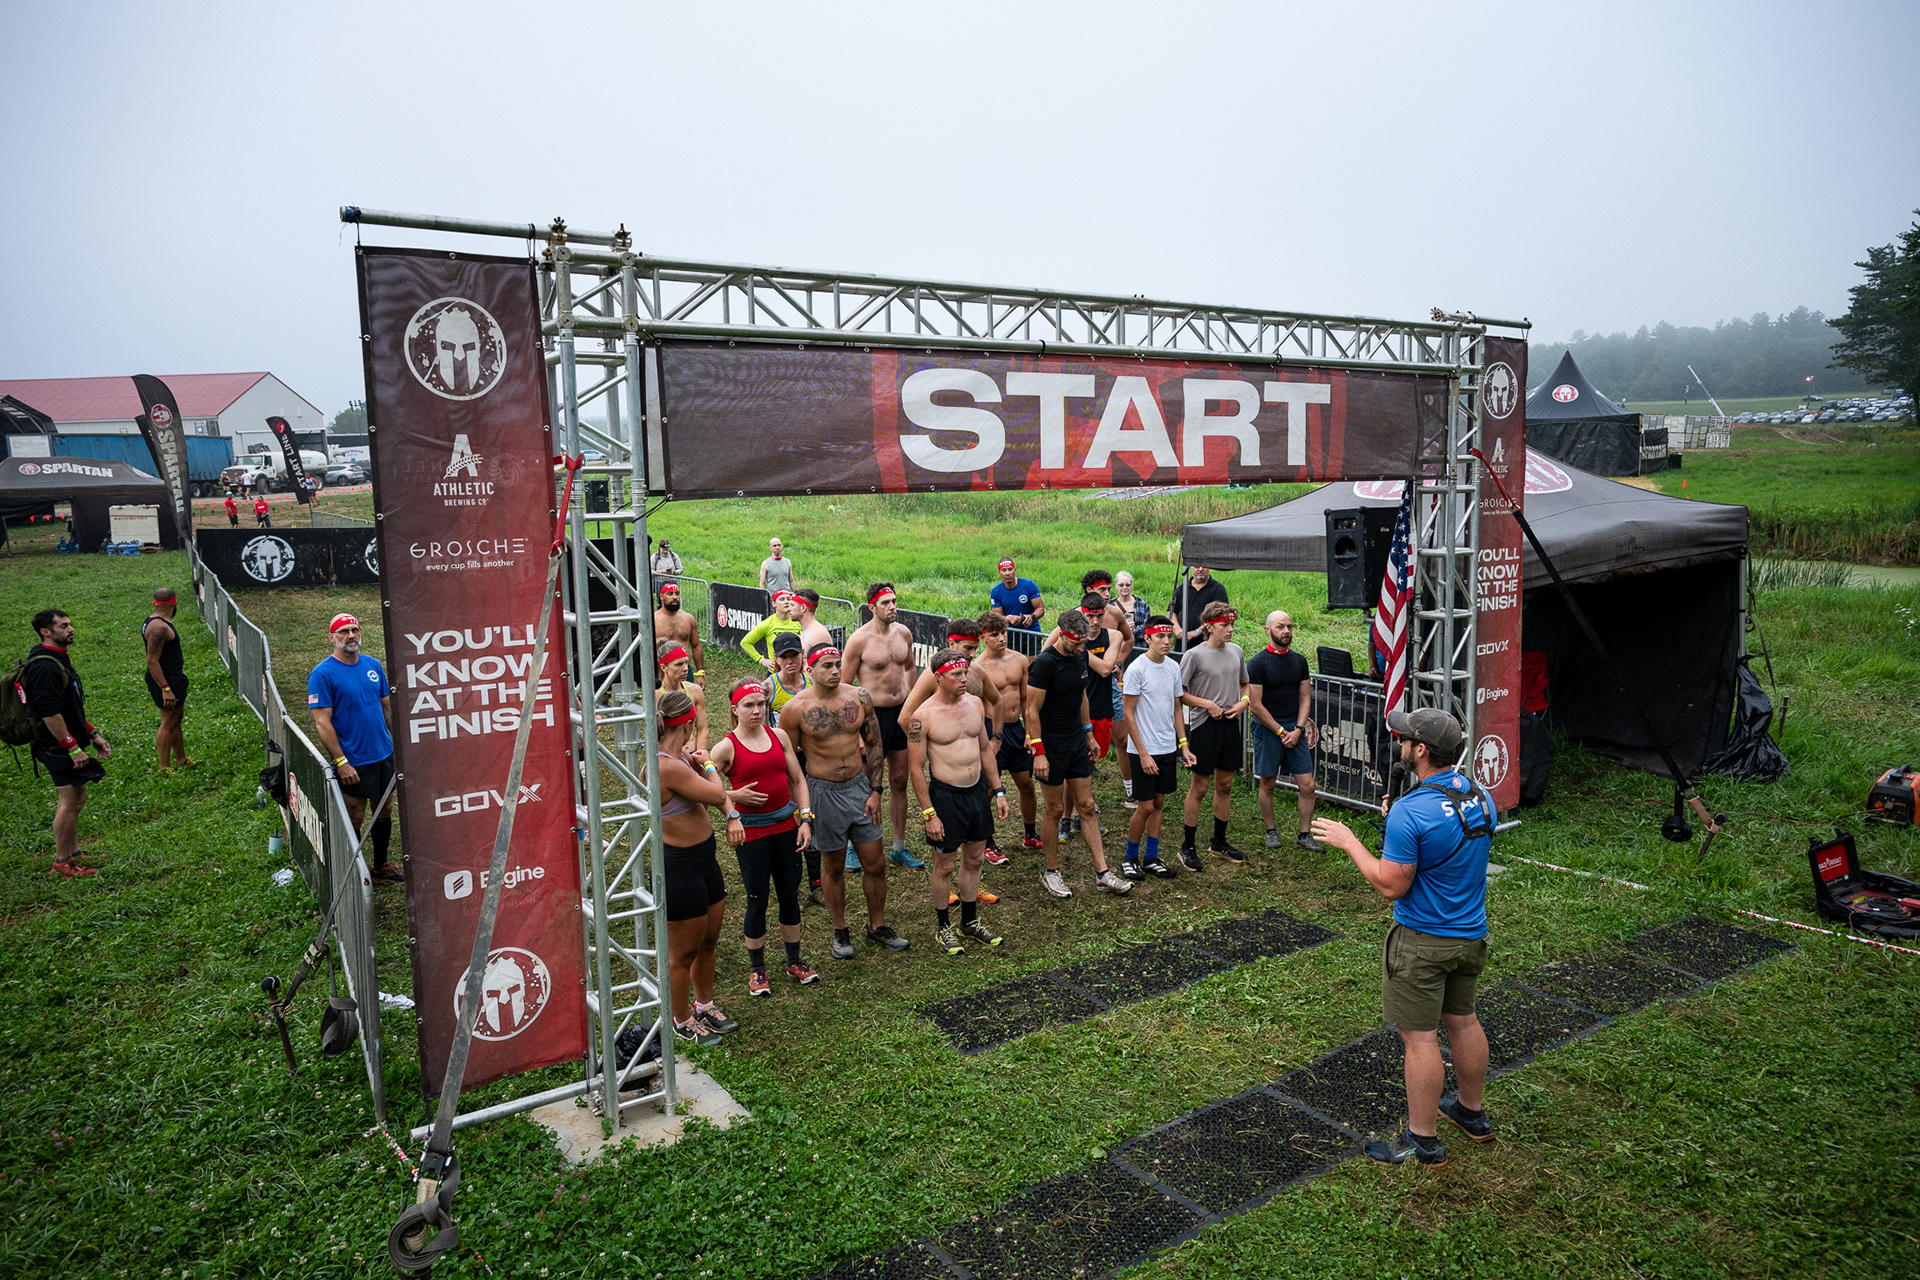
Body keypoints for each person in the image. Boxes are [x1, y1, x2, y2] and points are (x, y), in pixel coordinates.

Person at [1311, 707, 1497, 1169]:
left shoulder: (1411, 812)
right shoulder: (1480, 795)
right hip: (1471, 935)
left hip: (1423, 942)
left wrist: (1350, 841)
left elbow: (1391, 884)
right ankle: (1471, 1113)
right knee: (1464, 1022)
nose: (1398, 743)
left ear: (1422, 750)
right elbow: (1444, 836)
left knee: (1420, 1039)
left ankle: (1423, 1141)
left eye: (1404, 739)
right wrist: (1400, 823)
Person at [781, 642, 909, 957]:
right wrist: (800, 807)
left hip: (859, 788)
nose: (835, 671)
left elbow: (874, 743)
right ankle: (840, 931)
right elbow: (789, 762)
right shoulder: (795, 709)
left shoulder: (859, 697)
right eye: (827, 666)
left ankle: (877, 927)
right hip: (822, 791)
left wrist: (876, 791)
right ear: (810, 670)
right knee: (834, 865)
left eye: (837, 664)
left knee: (876, 863)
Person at [652, 689, 761, 1045]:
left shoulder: (681, 757)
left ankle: (705, 1005)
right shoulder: (665, 766)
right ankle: (681, 1019)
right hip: (680, 867)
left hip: (704, 859)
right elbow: (716, 792)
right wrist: (711, 767)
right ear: (686, 725)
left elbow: (718, 800)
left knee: (709, 940)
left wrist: (731, 814)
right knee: (683, 952)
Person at [709, 678, 820, 996]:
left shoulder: (779, 735)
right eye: (749, 705)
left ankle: (794, 961)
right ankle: (757, 969)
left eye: (761, 704)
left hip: (786, 827)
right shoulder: (726, 747)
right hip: (753, 833)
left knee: (789, 895)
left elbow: (797, 779)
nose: (757, 710)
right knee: (757, 899)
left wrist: (806, 819)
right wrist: (733, 798)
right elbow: (704, 788)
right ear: (735, 709)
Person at [1025, 609, 1132, 898]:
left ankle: (1103, 873)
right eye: (1077, 641)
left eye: (1085, 641)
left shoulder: (1081, 655)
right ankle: (1051, 871)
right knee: (1055, 809)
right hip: (1050, 742)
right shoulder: (1044, 664)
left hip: (1075, 740)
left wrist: (1089, 734)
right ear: (1061, 634)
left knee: (1086, 805)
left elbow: (1082, 695)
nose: (1082, 646)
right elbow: (1031, 709)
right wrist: (1038, 751)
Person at [907, 648, 1009, 953]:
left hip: (976, 793)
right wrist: (929, 813)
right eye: (957, 674)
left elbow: (984, 750)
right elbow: (916, 768)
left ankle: (969, 921)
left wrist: (998, 790)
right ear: (939, 678)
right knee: (945, 865)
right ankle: (943, 927)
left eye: (965, 672)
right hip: (945, 797)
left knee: (975, 858)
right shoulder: (922, 716)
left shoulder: (975, 704)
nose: (965, 679)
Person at [898, 617, 1005, 887]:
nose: (972, 655)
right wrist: (932, 749)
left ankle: (970, 889)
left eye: (975, 649)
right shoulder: (932, 676)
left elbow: (996, 701)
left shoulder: (975, 672)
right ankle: (946, 894)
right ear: (952, 643)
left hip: (975, 776)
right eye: (967, 648)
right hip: (946, 784)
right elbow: (906, 718)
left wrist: (997, 737)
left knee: (974, 854)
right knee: (946, 859)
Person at [307, 614, 400, 883]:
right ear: (332, 637)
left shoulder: (373, 665)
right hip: (353, 759)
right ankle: (354, 875)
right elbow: (322, 723)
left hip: (383, 753)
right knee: (355, 815)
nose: (351, 635)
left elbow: (386, 708)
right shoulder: (322, 674)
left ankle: (380, 867)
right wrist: (341, 762)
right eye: (343, 631)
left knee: (385, 808)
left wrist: (399, 745)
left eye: (354, 630)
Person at [23, 609, 110, 878]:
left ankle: (75, 853)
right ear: (45, 632)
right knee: (69, 802)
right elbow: (50, 713)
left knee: (77, 798)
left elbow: (70, 708)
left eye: (70, 624)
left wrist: (92, 734)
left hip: (66, 742)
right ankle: (62, 863)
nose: (70, 629)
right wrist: (72, 747)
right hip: (55, 746)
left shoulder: (57, 658)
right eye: (63, 626)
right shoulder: (45, 666)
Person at [841, 583, 920, 868]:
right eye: (885, 603)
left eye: (894, 601)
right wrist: (855, 730)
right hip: (871, 718)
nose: (892, 607)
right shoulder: (859, 640)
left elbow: (909, 668)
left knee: (900, 781)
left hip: (900, 715)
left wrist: (912, 705)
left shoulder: (904, 633)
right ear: (872, 607)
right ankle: (853, 846)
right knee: (864, 784)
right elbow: (845, 686)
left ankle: (898, 847)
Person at [1178, 602, 1251, 868]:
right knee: (1199, 787)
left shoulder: (1236, 651)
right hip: (1204, 726)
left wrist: (1244, 702)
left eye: (1232, 624)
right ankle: (1187, 846)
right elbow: (1179, 693)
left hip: (1230, 723)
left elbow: (1245, 684)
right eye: (1224, 625)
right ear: (1209, 626)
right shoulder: (1194, 655)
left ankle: (1219, 843)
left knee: (1226, 785)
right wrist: (1207, 704)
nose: (1230, 629)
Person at [1119, 616, 1191, 880]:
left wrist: (1183, 744)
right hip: (1143, 750)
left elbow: (1176, 707)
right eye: (1160, 636)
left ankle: (1151, 858)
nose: (1167, 641)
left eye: (1169, 636)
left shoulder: (1173, 667)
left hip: (1166, 747)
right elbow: (1128, 714)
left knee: (1159, 802)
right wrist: (1143, 753)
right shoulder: (1137, 669)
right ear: (1147, 638)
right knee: (1146, 806)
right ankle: (1129, 858)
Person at [1248, 609, 1317, 852]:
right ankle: (1270, 831)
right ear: (1267, 630)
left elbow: (1305, 698)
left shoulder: (1299, 661)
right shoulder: (1257, 663)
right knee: (1268, 784)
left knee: (1308, 785)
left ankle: (1305, 835)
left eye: (1289, 626)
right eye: (1280, 627)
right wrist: (1279, 731)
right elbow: (1255, 705)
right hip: (1268, 730)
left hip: (1294, 729)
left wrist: (1298, 729)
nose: (1286, 631)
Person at [975, 613, 1042, 858]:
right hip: (991, 729)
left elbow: (1026, 700)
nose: (1001, 638)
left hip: (1016, 729)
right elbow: (976, 705)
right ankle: (987, 842)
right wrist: (985, 739)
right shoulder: (978, 667)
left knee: (1026, 783)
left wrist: (1029, 733)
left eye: (1003, 633)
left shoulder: (1019, 660)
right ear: (983, 638)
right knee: (989, 788)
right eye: (994, 635)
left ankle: (1030, 834)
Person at [763, 631, 821, 904]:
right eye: (784, 657)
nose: (790, 661)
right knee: (792, 819)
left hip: (812, 757)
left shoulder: (812, 682)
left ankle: (816, 884)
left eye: (794, 655)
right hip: (783, 761)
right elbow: (760, 730)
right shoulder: (769, 687)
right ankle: (791, 888)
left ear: (802, 655)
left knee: (813, 816)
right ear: (776, 659)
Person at [141, 588, 194, 772]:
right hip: (166, 678)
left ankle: (181, 759)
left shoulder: (157, 621)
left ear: (154, 603)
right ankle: (164, 767)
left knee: (176, 718)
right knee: (168, 720)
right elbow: (151, 661)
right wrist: (165, 688)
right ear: (175, 603)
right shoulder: (159, 628)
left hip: (173, 677)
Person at [657, 638, 708, 752]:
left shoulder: (695, 691)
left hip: (693, 753)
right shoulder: (655, 695)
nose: (685, 669)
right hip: (667, 755)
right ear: (664, 667)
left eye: (686, 663)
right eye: (679, 664)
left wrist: (700, 756)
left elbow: (702, 729)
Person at [653, 582, 704, 683]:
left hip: (685, 670)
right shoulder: (653, 620)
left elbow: (696, 646)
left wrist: (700, 673)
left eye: (677, 593)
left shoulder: (688, 619)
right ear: (661, 596)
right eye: (670, 594)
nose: (675, 597)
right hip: (662, 672)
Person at [741, 590, 804, 671]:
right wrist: (761, 660)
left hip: (798, 671)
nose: (786, 602)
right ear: (774, 604)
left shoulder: (799, 621)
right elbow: (745, 642)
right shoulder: (768, 624)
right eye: (782, 599)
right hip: (776, 672)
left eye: (788, 599)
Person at [1168, 565, 1230, 647]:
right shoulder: (1182, 588)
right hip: (1182, 642)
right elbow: (1171, 612)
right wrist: (1177, 629)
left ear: (1209, 567)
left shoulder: (1218, 590)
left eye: (1204, 566)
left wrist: (1197, 632)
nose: (1200, 569)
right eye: (1197, 566)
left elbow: (1220, 616)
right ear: (1191, 567)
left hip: (1207, 643)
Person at [989, 557, 1045, 631]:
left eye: (1010, 569)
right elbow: (996, 618)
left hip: (1032, 633)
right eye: (1004, 570)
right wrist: (1008, 618)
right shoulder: (996, 591)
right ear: (999, 573)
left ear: (1014, 570)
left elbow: (1040, 609)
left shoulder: (1029, 585)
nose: (1007, 573)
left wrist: (1031, 616)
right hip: (1009, 634)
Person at [791, 588, 833, 654]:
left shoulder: (818, 634)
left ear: (803, 608)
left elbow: (826, 659)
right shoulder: (807, 630)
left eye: (792, 605)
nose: (789, 609)